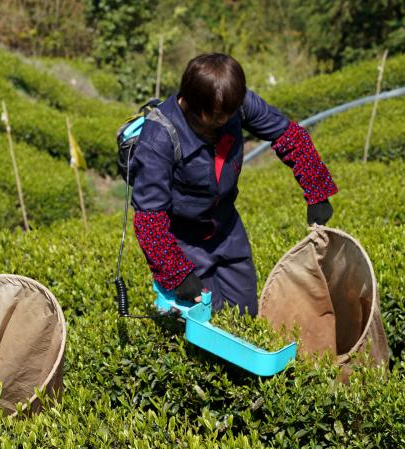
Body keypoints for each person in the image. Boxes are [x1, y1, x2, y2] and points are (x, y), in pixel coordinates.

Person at [130, 53, 337, 315]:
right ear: (193, 106)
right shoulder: (159, 136)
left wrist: (317, 190)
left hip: (226, 228)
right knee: (207, 323)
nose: (226, 121)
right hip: (183, 238)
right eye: (217, 117)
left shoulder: (234, 104)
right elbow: (150, 217)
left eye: (230, 114)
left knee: (245, 312)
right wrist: (177, 273)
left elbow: (289, 135)